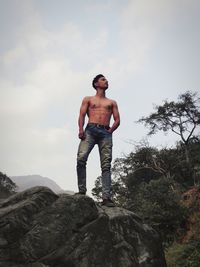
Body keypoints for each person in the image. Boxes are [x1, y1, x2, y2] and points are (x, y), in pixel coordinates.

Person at [76, 74, 120, 207]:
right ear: (96, 84)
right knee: (81, 158)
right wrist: (81, 129)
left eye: (106, 80)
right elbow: (82, 115)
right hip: (90, 130)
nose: (106, 81)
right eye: (103, 79)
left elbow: (117, 120)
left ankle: (106, 198)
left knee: (106, 165)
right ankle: (82, 191)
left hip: (105, 133)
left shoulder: (112, 102)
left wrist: (110, 131)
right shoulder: (88, 99)